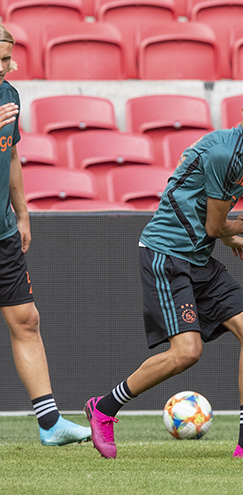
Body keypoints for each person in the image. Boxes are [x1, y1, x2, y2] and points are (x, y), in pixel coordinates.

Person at [84, 87, 243, 459]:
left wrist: (228, 237)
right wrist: (241, 227)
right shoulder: (226, 154)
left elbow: (204, 215)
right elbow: (214, 225)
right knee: (186, 353)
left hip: (198, 258)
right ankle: (103, 408)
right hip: (166, 256)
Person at [0, 24, 92, 447]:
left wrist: (22, 213)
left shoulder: (10, 95)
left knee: (26, 319)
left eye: (9, 58)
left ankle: (50, 423)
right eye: (1, 60)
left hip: (2, 231)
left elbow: (12, 153)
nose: (9, 67)